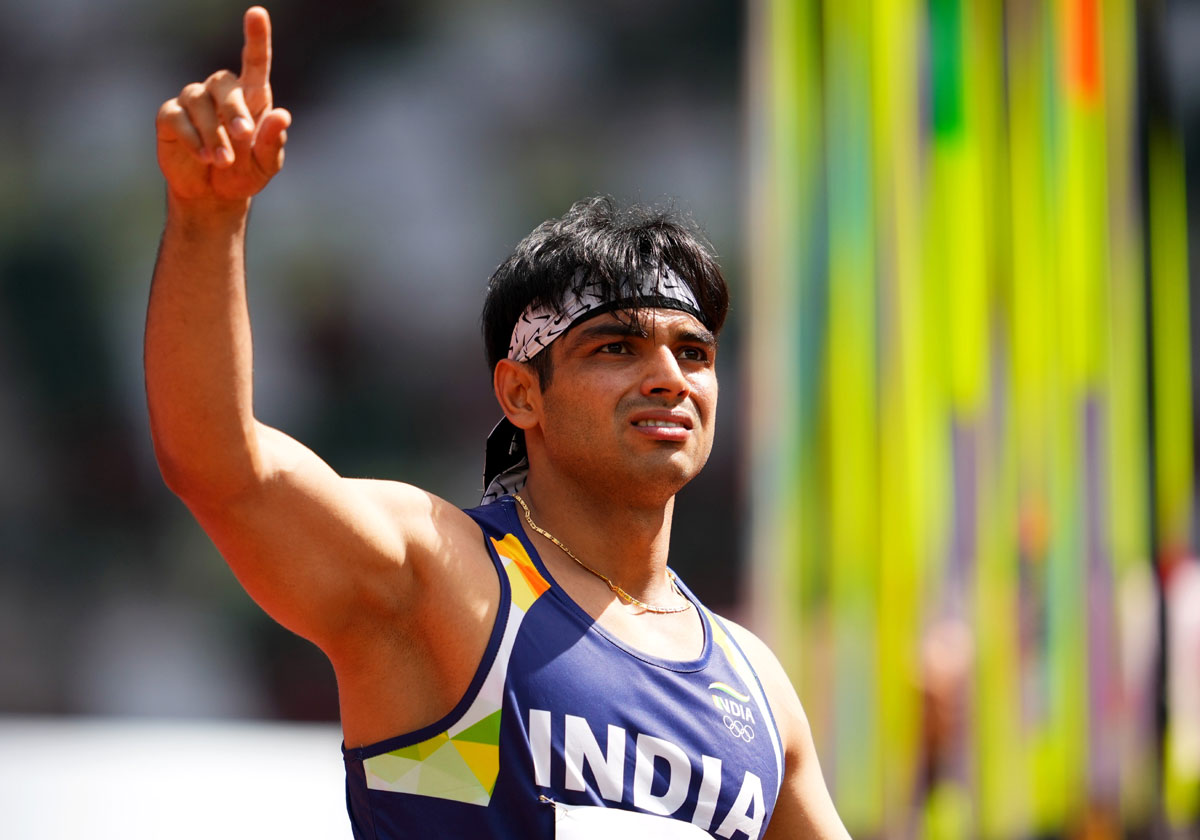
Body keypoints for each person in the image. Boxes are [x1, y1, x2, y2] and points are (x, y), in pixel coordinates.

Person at [147, 7, 851, 839]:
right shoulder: (443, 580)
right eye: (617, 348)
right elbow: (222, 467)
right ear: (522, 395)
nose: (669, 378)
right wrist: (208, 221)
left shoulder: (755, 687)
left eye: (694, 354)